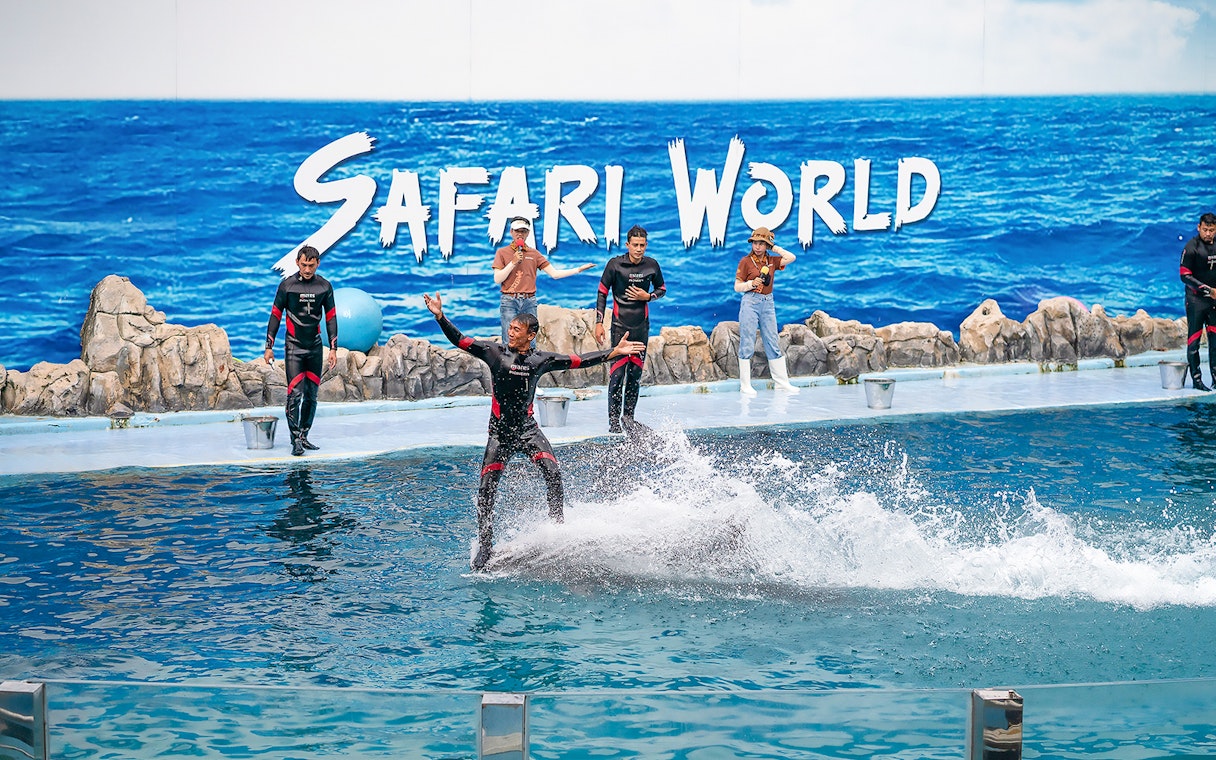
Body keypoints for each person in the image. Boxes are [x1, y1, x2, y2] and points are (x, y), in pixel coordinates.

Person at [423, 291, 645, 571]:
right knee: (486, 490)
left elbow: (578, 360)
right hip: (500, 434)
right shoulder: (494, 353)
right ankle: (486, 545)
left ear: (530, 335)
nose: (510, 331)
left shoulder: (540, 360)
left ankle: (557, 529)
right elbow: (461, 340)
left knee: (552, 474)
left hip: (528, 431)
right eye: (510, 327)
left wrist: (612, 353)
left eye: (516, 329)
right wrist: (440, 316)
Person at [264, 245, 338, 456]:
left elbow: (331, 317)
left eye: (311, 265)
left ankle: (304, 435)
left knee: (312, 395)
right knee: (295, 394)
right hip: (294, 348)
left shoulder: (324, 286)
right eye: (304, 265)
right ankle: (294, 438)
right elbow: (275, 316)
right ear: (297, 262)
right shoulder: (287, 286)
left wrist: (333, 348)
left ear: (318, 264)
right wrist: (269, 347)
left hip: (315, 347)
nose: (307, 269)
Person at [594, 224, 666, 433]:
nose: (639, 249)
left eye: (642, 245)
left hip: (641, 328)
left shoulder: (651, 265)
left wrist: (648, 297)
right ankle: (614, 421)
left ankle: (629, 418)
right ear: (627, 245)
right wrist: (598, 322)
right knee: (617, 375)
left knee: (634, 376)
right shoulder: (615, 265)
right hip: (619, 327)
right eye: (635, 245)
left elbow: (662, 289)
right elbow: (602, 292)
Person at [493, 216, 594, 344]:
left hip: (529, 300)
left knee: (530, 339)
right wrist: (513, 263)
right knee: (509, 339)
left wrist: (578, 269)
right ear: (511, 232)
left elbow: (554, 274)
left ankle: (530, 363)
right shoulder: (502, 252)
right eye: (517, 231)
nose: (520, 234)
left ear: (528, 233)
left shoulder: (534, 254)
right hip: (509, 300)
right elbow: (497, 279)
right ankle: (509, 363)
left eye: (523, 231)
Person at [734, 226, 799, 395]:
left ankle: (781, 382)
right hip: (750, 302)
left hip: (768, 303)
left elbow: (791, 257)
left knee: (772, 340)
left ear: (767, 245)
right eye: (755, 242)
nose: (757, 246)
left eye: (762, 243)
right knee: (747, 341)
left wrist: (774, 247)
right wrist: (750, 284)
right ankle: (745, 385)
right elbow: (737, 286)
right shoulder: (745, 261)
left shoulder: (772, 261)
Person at [1180, 212, 1216, 391]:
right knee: (1194, 341)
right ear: (1198, 228)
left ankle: (1215, 377)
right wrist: (1208, 290)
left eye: (1211, 230)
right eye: (1205, 230)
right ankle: (1197, 379)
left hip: (1214, 301)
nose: (1208, 234)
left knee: (1214, 340)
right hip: (1196, 301)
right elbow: (1184, 276)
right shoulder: (1191, 247)